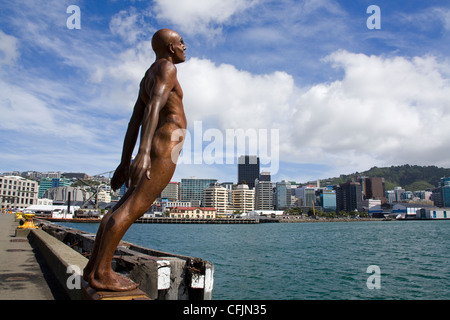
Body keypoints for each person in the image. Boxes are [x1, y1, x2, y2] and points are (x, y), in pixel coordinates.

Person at [83, 28, 187, 291]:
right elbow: (152, 108)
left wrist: (123, 160)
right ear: (171, 48)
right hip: (165, 146)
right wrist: (142, 154)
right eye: (181, 43)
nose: (185, 46)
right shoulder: (167, 69)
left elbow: (134, 120)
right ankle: (103, 274)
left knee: (121, 206)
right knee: (134, 208)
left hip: (155, 144)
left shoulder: (147, 76)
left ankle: (93, 268)